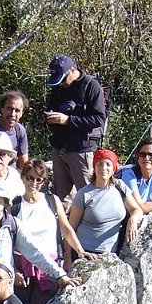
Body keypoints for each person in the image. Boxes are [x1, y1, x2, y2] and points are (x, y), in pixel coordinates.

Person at [11, 158, 86, 304]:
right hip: (23, 267)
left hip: (49, 267)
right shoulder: (14, 205)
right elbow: (8, 240)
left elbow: (66, 229)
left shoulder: (52, 201)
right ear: (23, 178)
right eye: (30, 178)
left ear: (44, 181)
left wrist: (80, 251)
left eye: (39, 179)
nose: (34, 183)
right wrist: (14, 271)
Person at [43, 54, 107, 203]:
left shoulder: (91, 86)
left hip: (81, 150)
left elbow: (98, 119)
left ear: (73, 69)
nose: (61, 84)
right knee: (60, 198)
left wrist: (68, 120)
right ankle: (64, 225)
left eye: (63, 79)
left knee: (89, 197)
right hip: (59, 148)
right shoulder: (58, 88)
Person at [67, 149, 143, 256]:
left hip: (111, 254)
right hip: (85, 253)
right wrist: (68, 258)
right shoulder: (84, 194)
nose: (103, 168)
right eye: (99, 164)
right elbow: (70, 228)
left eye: (108, 164)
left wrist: (133, 220)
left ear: (114, 169)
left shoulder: (120, 187)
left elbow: (136, 209)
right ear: (94, 167)